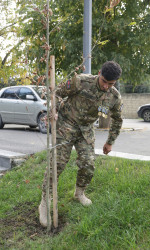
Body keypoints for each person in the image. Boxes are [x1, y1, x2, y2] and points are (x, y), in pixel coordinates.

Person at [39, 61, 123, 227]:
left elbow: (118, 119)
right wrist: (53, 110)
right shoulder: (81, 81)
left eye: (110, 84)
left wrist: (110, 142)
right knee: (58, 163)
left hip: (85, 130)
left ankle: (79, 193)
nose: (106, 86)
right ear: (99, 73)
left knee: (88, 164)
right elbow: (57, 93)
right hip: (66, 123)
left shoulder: (114, 97)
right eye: (104, 81)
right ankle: (45, 201)